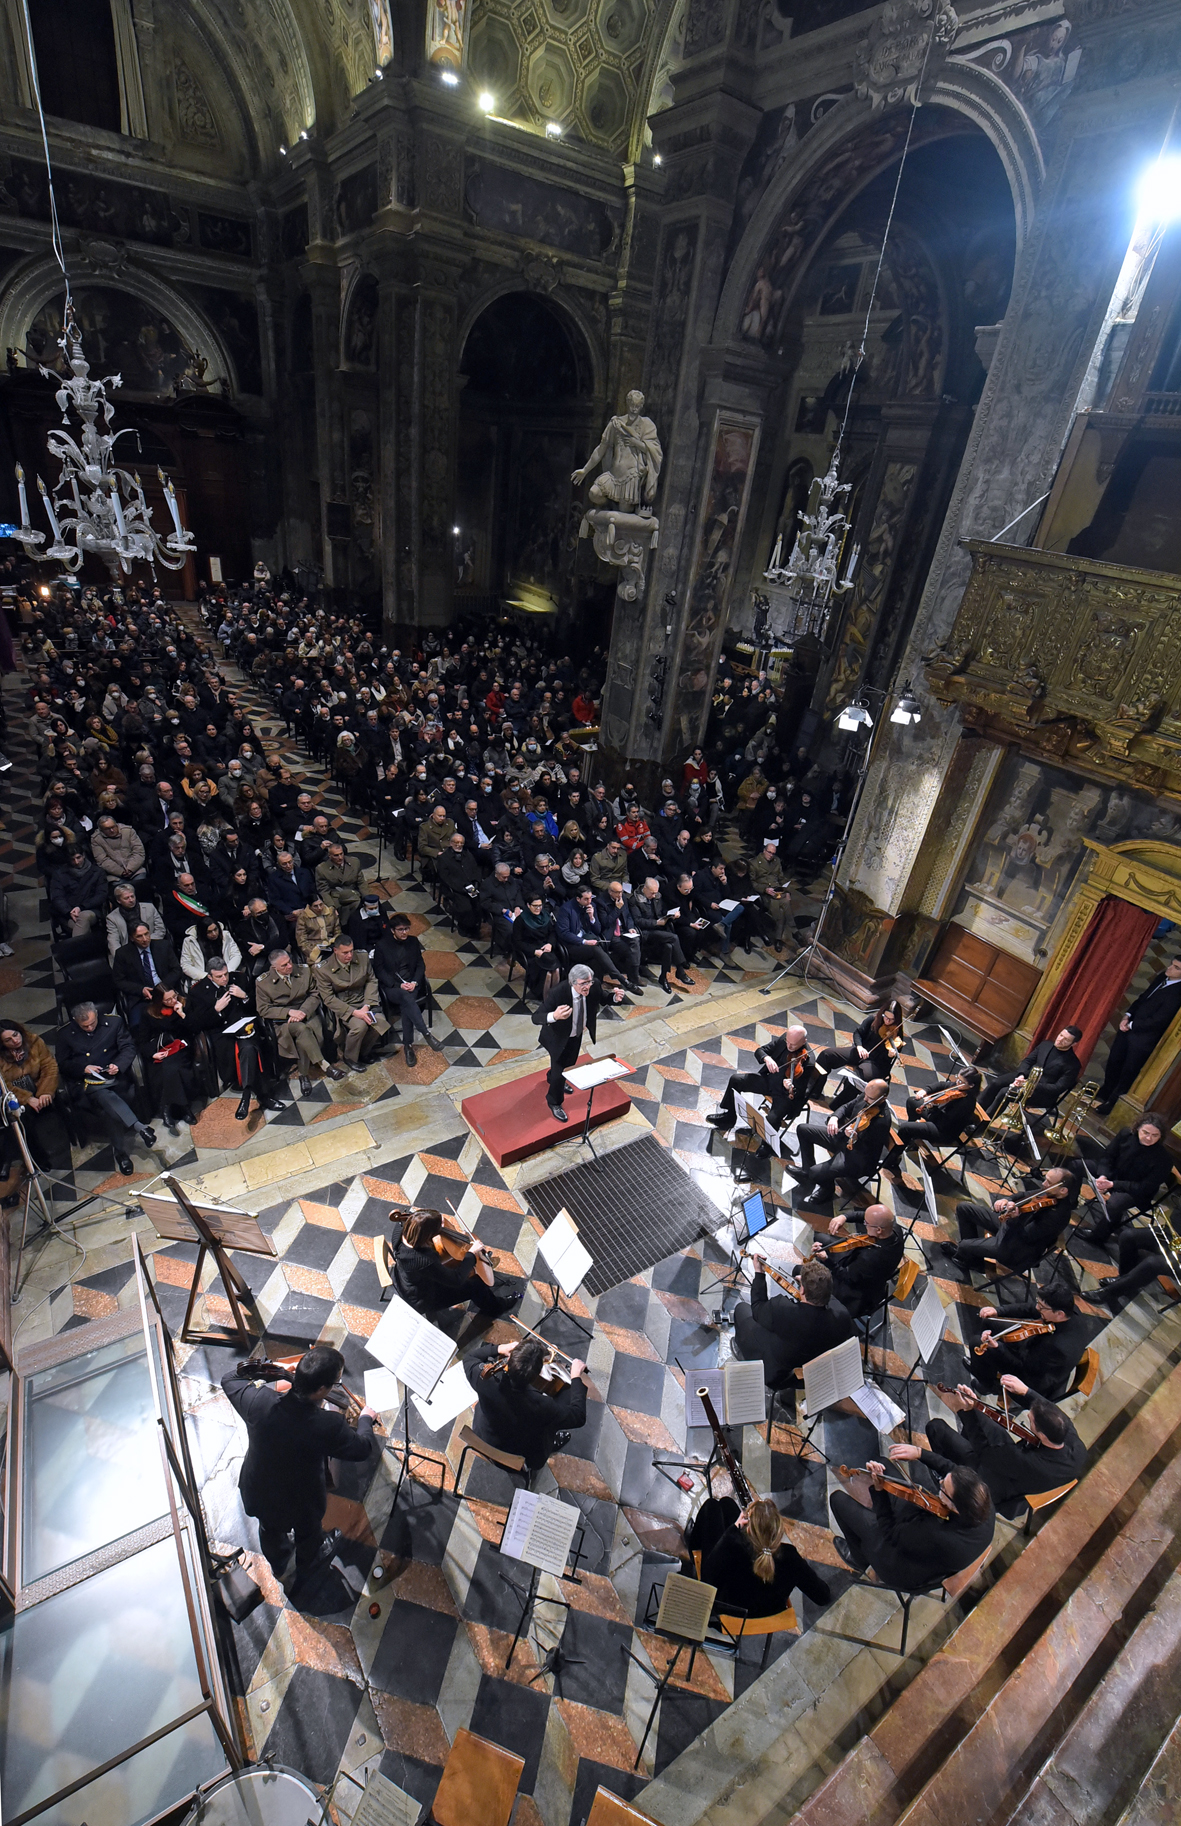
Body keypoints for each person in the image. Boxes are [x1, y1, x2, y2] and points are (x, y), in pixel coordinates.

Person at [221, 1347, 377, 1590]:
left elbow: (229, 1378)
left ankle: (281, 1566)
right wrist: (366, 1419)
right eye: (336, 1382)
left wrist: (276, 1371)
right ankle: (308, 1566)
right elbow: (363, 1448)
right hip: (301, 1503)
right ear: (323, 1390)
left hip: (258, 1493)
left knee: (269, 1530)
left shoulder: (259, 1402)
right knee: (309, 1535)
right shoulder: (327, 1426)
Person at [892, 1379, 1085, 1519]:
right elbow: (1052, 1410)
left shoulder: (1029, 1463)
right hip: (1020, 1471)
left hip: (995, 1485)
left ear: (1042, 1436)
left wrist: (965, 1411)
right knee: (987, 1421)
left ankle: (946, 1477)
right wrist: (1025, 1391)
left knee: (937, 1428)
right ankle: (972, 1406)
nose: (1028, 1420)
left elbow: (985, 1453)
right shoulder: (1073, 1443)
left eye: (1031, 1421)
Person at [829, 1460, 994, 1587]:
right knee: (884, 1464)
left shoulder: (934, 1534)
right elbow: (950, 1467)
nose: (940, 1482)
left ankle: (860, 1559)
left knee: (838, 1500)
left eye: (943, 1487)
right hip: (929, 1547)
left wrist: (879, 1491)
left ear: (955, 1507)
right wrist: (918, 1453)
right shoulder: (982, 1502)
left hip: (901, 1566)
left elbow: (890, 1532)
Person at [55, 1001, 156, 1174]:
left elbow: (128, 1047)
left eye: (92, 1023)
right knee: (102, 1094)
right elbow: (63, 1064)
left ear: (97, 1015)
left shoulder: (113, 1022)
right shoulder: (65, 1034)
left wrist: (118, 1064)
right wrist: (83, 1068)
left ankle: (121, 1153)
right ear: (75, 1021)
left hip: (115, 1077)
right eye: (84, 1026)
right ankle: (140, 1129)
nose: (89, 1028)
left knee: (109, 1107)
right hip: (87, 1083)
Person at [686, 1495, 831, 1616]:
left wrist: (732, 1531)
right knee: (727, 1503)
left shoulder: (733, 1546)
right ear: (778, 1532)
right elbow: (823, 1597)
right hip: (767, 1614)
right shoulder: (790, 1557)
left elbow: (707, 1582)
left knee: (711, 1507)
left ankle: (691, 1542)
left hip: (726, 1614)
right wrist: (800, 1569)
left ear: (748, 1531)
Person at [464, 1337, 589, 1471]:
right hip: (518, 1455)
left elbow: (468, 1358)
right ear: (536, 1374)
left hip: (484, 1436)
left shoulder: (485, 1379)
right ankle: (551, 1444)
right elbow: (578, 1416)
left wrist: (500, 1348)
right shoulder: (543, 1405)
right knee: (562, 1399)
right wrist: (575, 1377)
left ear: (510, 1359)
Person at [732, 1257, 853, 1390]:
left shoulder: (783, 1309)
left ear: (802, 1291)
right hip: (811, 1374)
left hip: (777, 1375)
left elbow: (757, 1308)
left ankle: (742, 1350)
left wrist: (759, 1273)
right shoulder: (843, 1315)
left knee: (742, 1309)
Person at [186, 958, 283, 1121]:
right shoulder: (198, 991)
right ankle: (262, 1096)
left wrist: (244, 996)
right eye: (219, 976)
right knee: (248, 1049)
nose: (225, 979)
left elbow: (257, 1006)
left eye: (226, 974)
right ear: (210, 976)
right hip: (223, 1034)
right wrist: (216, 1010)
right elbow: (194, 1023)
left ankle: (246, 1098)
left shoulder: (238, 979)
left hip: (245, 1028)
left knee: (249, 1046)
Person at [942, 1166, 1079, 1276]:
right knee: (964, 1208)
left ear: (1063, 1190)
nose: (1044, 1184)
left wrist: (1014, 1219)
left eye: (1049, 1182)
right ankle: (972, 1259)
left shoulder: (1058, 1217)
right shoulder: (1049, 1191)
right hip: (1012, 1226)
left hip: (1016, 1248)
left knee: (965, 1245)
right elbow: (1023, 1195)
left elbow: (1025, 1236)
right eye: (1046, 1179)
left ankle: (967, 1254)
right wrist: (1007, 1200)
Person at [531, 962, 623, 1122]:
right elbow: (536, 1017)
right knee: (561, 1071)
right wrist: (554, 1016)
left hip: (576, 1034)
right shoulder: (558, 993)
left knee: (570, 1064)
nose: (587, 987)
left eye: (589, 982)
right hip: (558, 1038)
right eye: (583, 984)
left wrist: (615, 997)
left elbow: (603, 998)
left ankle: (552, 1076)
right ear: (573, 982)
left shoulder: (593, 987)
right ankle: (554, 1101)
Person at [969, 1281, 1090, 1400]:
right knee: (989, 1321)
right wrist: (999, 1311)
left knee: (977, 1344)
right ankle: (986, 1370)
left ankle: (989, 1385)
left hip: (1031, 1380)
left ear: (1060, 1314)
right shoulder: (1068, 1308)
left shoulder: (1058, 1348)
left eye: (1041, 1307)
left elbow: (1023, 1367)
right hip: (1035, 1352)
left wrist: (997, 1347)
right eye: (1039, 1302)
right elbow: (1031, 1308)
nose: (1037, 1307)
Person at [392, 1207, 521, 1318]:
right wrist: (471, 1253)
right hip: (422, 1297)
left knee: (455, 1264)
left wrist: (435, 1224)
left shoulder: (401, 1228)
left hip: (403, 1277)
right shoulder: (424, 1260)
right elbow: (456, 1279)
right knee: (475, 1284)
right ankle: (496, 1308)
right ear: (427, 1235)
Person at [786, 1078, 893, 1205]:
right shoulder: (865, 1097)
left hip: (856, 1157)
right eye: (865, 1094)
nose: (865, 1099)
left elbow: (869, 1149)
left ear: (883, 1098)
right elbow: (846, 1107)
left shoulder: (882, 1121)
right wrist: (835, 1118)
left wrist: (855, 1137)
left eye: (870, 1098)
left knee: (815, 1172)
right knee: (803, 1130)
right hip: (843, 1139)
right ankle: (806, 1172)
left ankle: (827, 1188)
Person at [1096, 959, 1181, 1113]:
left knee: (1128, 1071)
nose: (1170, 968)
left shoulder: (1178, 993)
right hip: (1129, 1026)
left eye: (1176, 968)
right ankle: (1106, 1090)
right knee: (1114, 1060)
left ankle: (1112, 1103)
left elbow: (1160, 1020)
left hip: (1144, 1040)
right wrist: (1127, 1015)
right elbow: (1143, 998)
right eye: (1172, 964)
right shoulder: (1162, 977)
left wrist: (1132, 1025)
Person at [256, 948, 344, 1094]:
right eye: (284, 965)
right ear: (274, 967)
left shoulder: (303, 970)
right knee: (301, 1030)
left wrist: (303, 1011)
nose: (289, 966)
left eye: (289, 961)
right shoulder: (263, 983)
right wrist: (289, 1012)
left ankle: (303, 1075)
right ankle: (324, 1065)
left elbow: (315, 994)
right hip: (284, 1022)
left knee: (303, 1036)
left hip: (306, 1014)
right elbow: (263, 1009)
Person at [707, 1023, 817, 1135]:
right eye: (787, 1042)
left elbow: (802, 1091)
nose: (789, 1046)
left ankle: (767, 1146)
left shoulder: (808, 1061)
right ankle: (729, 1117)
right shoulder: (785, 1039)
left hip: (784, 1095)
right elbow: (760, 1050)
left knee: (772, 1119)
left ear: (804, 1041)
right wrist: (767, 1058)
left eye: (793, 1045)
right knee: (736, 1080)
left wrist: (790, 1086)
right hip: (769, 1081)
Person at [1076, 1115, 1171, 1244]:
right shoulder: (1126, 1134)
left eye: (1155, 1135)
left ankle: (1098, 1237)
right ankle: (1070, 1201)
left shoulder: (1164, 1160)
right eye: (1145, 1132)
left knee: (1115, 1204)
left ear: (1161, 1137)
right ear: (1138, 1129)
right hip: (1112, 1175)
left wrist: (1112, 1184)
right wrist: (1103, 1175)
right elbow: (1108, 1156)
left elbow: (1144, 1187)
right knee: (1077, 1166)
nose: (1149, 1138)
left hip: (1134, 1191)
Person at [0, 1018, 71, 1181]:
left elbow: (49, 1066)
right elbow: (4, 1085)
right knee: (21, 1120)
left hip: (39, 1086)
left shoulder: (34, 1041)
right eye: (8, 1040)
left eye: (16, 1035)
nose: (15, 1041)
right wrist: (27, 1099)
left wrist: (45, 1092)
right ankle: (37, 1159)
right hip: (15, 1096)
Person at [372, 913, 447, 1066]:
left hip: (411, 985)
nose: (404, 932)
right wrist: (398, 985)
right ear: (393, 930)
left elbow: (420, 965)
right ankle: (426, 1034)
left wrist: (414, 982)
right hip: (393, 987)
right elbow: (379, 971)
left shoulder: (413, 942)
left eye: (406, 929)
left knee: (407, 1002)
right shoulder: (382, 946)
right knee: (406, 998)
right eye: (400, 929)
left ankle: (408, 1046)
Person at [814, 1204, 905, 1319]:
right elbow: (866, 1217)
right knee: (820, 1238)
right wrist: (844, 1217)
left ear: (878, 1230)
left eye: (866, 1224)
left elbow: (847, 1277)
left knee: (811, 1279)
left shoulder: (871, 1258)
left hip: (857, 1291)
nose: (864, 1225)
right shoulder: (895, 1229)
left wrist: (826, 1260)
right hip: (859, 1267)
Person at [314, 935, 390, 1070]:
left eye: (351, 951)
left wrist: (367, 1006)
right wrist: (355, 1012)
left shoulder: (362, 957)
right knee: (359, 1026)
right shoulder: (323, 969)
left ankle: (363, 1052)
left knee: (379, 1022)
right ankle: (350, 1057)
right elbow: (328, 998)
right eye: (345, 952)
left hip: (364, 1000)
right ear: (335, 951)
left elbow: (371, 980)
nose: (349, 955)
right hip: (344, 1005)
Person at [887, 1068, 982, 1169]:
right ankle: (912, 1139)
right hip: (938, 1117)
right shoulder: (958, 1087)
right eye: (957, 1078)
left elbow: (944, 1122)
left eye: (961, 1081)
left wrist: (932, 1107)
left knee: (905, 1128)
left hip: (944, 1131)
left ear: (971, 1086)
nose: (957, 1082)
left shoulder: (966, 1104)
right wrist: (925, 1091)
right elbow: (942, 1085)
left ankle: (893, 1159)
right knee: (912, 1101)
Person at [980, 1026, 1083, 1117]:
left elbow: (1057, 1088)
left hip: (1043, 1092)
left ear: (1074, 1044)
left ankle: (983, 1124)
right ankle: (975, 1111)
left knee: (1006, 1092)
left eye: (1066, 1040)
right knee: (996, 1082)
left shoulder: (1073, 1064)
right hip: (1026, 1077)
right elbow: (1027, 1061)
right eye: (1060, 1035)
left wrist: (1029, 1084)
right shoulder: (1046, 1045)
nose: (1060, 1040)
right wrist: (1021, 1075)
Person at [815, 1001, 904, 1090]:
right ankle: (814, 1090)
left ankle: (839, 1103)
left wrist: (889, 1056)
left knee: (857, 1078)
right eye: (886, 1017)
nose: (887, 1021)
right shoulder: (873, 1019)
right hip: (861, 1052)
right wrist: (859, 1046)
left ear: (896, 1019)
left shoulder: (897, 1034)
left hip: (876, 1064)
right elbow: (858, 1033)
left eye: (891, 1019)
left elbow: (886, 1062)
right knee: (826, 1055)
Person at [1095, 1220, 1180, 1309]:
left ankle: (1109, 1293)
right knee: (1128, 1235)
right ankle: (1124, 1281)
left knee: (1152, 1264)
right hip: (1173, 1234)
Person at [632, 876, 693, 991]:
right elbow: (638, 921)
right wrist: (656, 923)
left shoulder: (657, 896)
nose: (654, 896)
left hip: (660, 930)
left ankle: (663, 977)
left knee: (669, 946)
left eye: (656, 893)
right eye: (652, 893)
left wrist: (671, 915)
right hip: (646, 932)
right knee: (674, 938)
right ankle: (680, 971)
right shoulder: (635, 900)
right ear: (645, 889)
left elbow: (662, 911)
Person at [113, 921, 184, 1010]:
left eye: (146, 934)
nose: (145, 939)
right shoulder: (123, 954)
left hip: (168, 992)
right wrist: (140, 990)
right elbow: (119, 981)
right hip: (141, 998)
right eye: (139, 936)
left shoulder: (163, 946)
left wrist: (161, 988)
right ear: (131, 938)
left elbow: (177, 970)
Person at [49, 847, 109, 941]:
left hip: (90, 909)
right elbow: (57, 897)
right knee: (82, 927)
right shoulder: (59, 874)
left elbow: (101, 895)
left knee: (83, 917)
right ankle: (85, 953)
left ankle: (75, 952)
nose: (76, 862)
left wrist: (81, 907)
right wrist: (69, 911)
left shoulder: (97, 872)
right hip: (69, 913)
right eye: (72, 859)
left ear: (83, 856)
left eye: (78, 857)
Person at [106, 882, 166, 959]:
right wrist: (121, 957)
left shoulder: (149, 908)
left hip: (151, 945)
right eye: (126, 898)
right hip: (129, 950)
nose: (131, 900)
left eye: (132, 896)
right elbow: (113, 941)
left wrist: (146, 943)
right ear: (119, 900)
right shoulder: (112, 917)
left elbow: (160, 930)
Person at [181, 914, 243, 983]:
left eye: (215, 929)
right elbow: (185, 965)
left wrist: (225, 972)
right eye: (209, 932)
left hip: (227, 975)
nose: (214, 933)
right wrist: (206, 976)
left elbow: (236, 955)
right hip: (203, 979)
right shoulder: (189, 941)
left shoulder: (225, 935)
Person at [315, 840, 364, 926]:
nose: (340, 857)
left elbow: (361, 882)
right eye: (336, 855)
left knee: (357, 905)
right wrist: (331, 907)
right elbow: (323, 890)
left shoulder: (354, 862)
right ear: (329, 856)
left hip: (353, 893)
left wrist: (368, 898)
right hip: (336, 897)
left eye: (341, 854)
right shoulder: (322, 869)